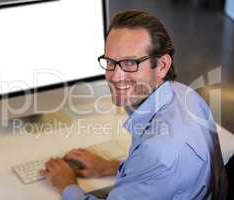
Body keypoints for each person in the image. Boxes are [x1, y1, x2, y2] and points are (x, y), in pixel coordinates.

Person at [40, 10, 228, 199]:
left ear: (162, 65)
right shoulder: (183, 94)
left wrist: (66, 184)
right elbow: (158, 178)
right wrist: (110, 167)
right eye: (110, 62)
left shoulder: (159, 153)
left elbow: (159, 164)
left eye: (130, 62)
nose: (114, 76)